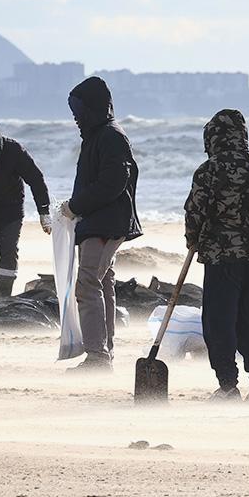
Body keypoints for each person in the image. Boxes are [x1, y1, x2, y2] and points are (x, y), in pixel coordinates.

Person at [183, 109, 249, 401]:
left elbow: (195, 211)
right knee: (247, 316)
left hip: (220, 255)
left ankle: (227, 384)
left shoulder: (209, 169)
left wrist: (193, 241)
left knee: (218, 319)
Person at [60, 76, 141, 373]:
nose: (75, 119)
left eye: (78, 112)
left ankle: (97, 357)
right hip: (100, 221)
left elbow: (113, 182)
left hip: (105, 223)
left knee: (88, 283)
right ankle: (103, 353)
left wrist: (75, 206)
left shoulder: (110, 136)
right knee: (102, 282)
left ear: (91, 108)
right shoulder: (99, 135)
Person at [0, 120, 51, 298]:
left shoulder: (14, 150)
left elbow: (36, 179)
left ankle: (5, 297)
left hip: (10, 213)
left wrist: (44, 211)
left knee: (9, 252)